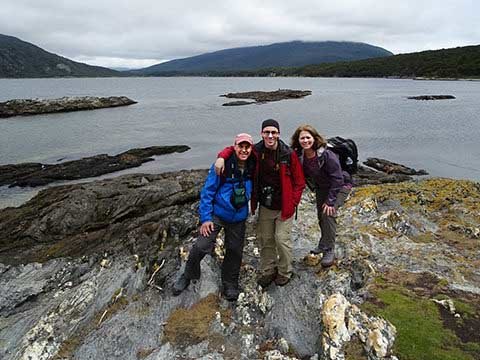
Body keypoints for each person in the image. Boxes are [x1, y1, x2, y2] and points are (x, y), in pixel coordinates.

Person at [215, 119, 305, 287]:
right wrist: (221, 157)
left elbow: (300, 182)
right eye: (267, 132)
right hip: (265, 204)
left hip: (284, 205)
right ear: (262, 134)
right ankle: (268, 270)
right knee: (265, 239)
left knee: (281, 239)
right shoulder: (256, 150)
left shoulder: (288, 154)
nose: (270, 135)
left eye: (274, 132)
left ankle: (285, 271)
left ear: (278, 134)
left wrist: (293, 202)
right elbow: (235, 149)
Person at [172, 133, 256, 301]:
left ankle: (229, 283)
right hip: (217, 214)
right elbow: (207, 192)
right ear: (235, 147)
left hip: (239, 216)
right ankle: (188, 275)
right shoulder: (222, 165)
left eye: (247, 147)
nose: (244, 150)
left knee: (234, 250)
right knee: (201, 246)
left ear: (251, 149)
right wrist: (206, 219)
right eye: (241, 146)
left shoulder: (254, 164)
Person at [290, 125, 352, 267]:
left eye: (308, 137)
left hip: (340, 186)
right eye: (302, 138)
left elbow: (338, 178)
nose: (305, 141)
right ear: (297, 140)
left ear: (314, 138)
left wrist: (330, 201)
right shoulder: (301, 155)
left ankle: (329, 249)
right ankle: (324, 244)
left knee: (328, 214)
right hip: (322, 187)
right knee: (320, 216)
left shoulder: (326, 154)